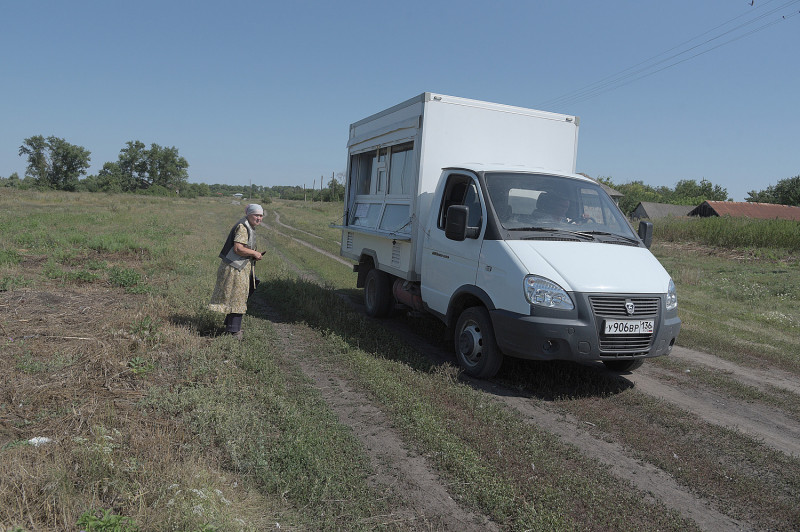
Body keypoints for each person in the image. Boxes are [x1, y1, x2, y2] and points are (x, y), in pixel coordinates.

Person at [208, 203, 265, 339]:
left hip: (239, 266)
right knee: (237, 297)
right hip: (234, 267)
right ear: (249, 214)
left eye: (261, 216)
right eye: (256, 215)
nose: (259, 218)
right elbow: (238, 248)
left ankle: (231, 326)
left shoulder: (247, 225)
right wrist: (254, 253)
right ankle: (234, 332)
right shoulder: (243, 227)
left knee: (239, 295)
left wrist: (252, 254)